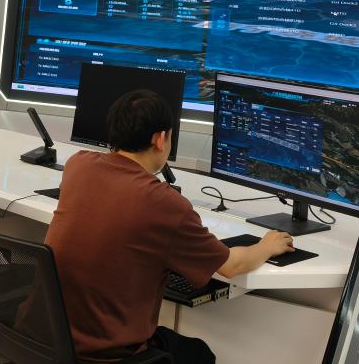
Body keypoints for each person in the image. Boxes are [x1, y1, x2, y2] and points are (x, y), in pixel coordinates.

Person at [45, 89, 293, 363]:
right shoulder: (163, 202)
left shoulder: (78, 165)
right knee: (199, 355)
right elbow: (232, 266)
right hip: (104, 356)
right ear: (160, 139)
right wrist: (267, 245)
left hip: (44, 341)